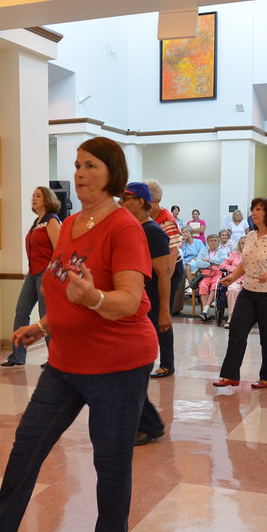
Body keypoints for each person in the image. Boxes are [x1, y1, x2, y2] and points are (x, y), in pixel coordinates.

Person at [0, 136, 158, 532]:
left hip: (118, 362)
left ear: (112, 174)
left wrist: (94, 297)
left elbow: (130, 300)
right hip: (65, 362)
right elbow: (60, 289)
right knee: (28, 443)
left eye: (91, 165)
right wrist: (41, 326)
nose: (80, 173)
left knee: (110, 457)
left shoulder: (125, 228)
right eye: (77, 165)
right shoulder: (72, 224)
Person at [213, 198, 267, 389]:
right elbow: (245, 262)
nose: (254, 213)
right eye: (253, 209)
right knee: (237, 332)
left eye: (258, 209)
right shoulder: (250, 236)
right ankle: (230, 375)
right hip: (249, 292)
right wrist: (233, 277)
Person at [118, 181, 170, 446]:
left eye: (125, 199)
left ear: (140, 201)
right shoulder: (132, 230)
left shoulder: (154, 232)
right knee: (128, 371)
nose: (120, 203)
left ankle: (148, 424)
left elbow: (164, 275)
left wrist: (164, 313)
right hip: (131, 307)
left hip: (147, 309)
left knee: (133, 371)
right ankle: (148, 423)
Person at [0, 186, 61, 366]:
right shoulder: (36, 222)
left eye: (38, 196)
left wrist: (51, 274)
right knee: (21, 311)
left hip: (46, 273)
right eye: (33, 196)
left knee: (46, 315)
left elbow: (59, 250)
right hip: (32, 273)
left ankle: (55, 359)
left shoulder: (51, 221)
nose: (34, 199)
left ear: (47, 199)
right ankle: (17, 356)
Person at [147, 179, 182, 378]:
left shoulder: (166, 219)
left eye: (149, 199)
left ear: (157, 199)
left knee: (162, 315)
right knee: (149, 316)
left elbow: (171, 256)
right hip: (152, 271)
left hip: (168, 271)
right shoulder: (145, 218)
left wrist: (164, 281)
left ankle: (167, 364)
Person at [193, 233, 228, 320]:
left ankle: (205, 310)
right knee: (203, 286)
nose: (213, 243)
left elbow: (223, 261)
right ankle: (206, 312)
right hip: (206, 274)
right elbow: (198, 263)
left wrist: (209, 260)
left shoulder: (222, 252)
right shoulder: (203, 252)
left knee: (214, 286)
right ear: (208, 243)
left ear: (218, 242)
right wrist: (213, 263)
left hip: (217, 273)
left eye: (215, 241)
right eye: (211, 241)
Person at [221, 235, 245, 328]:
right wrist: (235, 269)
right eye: (242, 243)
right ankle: (231, 317)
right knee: (232, 290)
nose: (244, 245)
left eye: (246, 243)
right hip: (235, 279)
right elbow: (223, 265)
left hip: (249, 279)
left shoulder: (254, 255)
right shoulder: (234, 254)